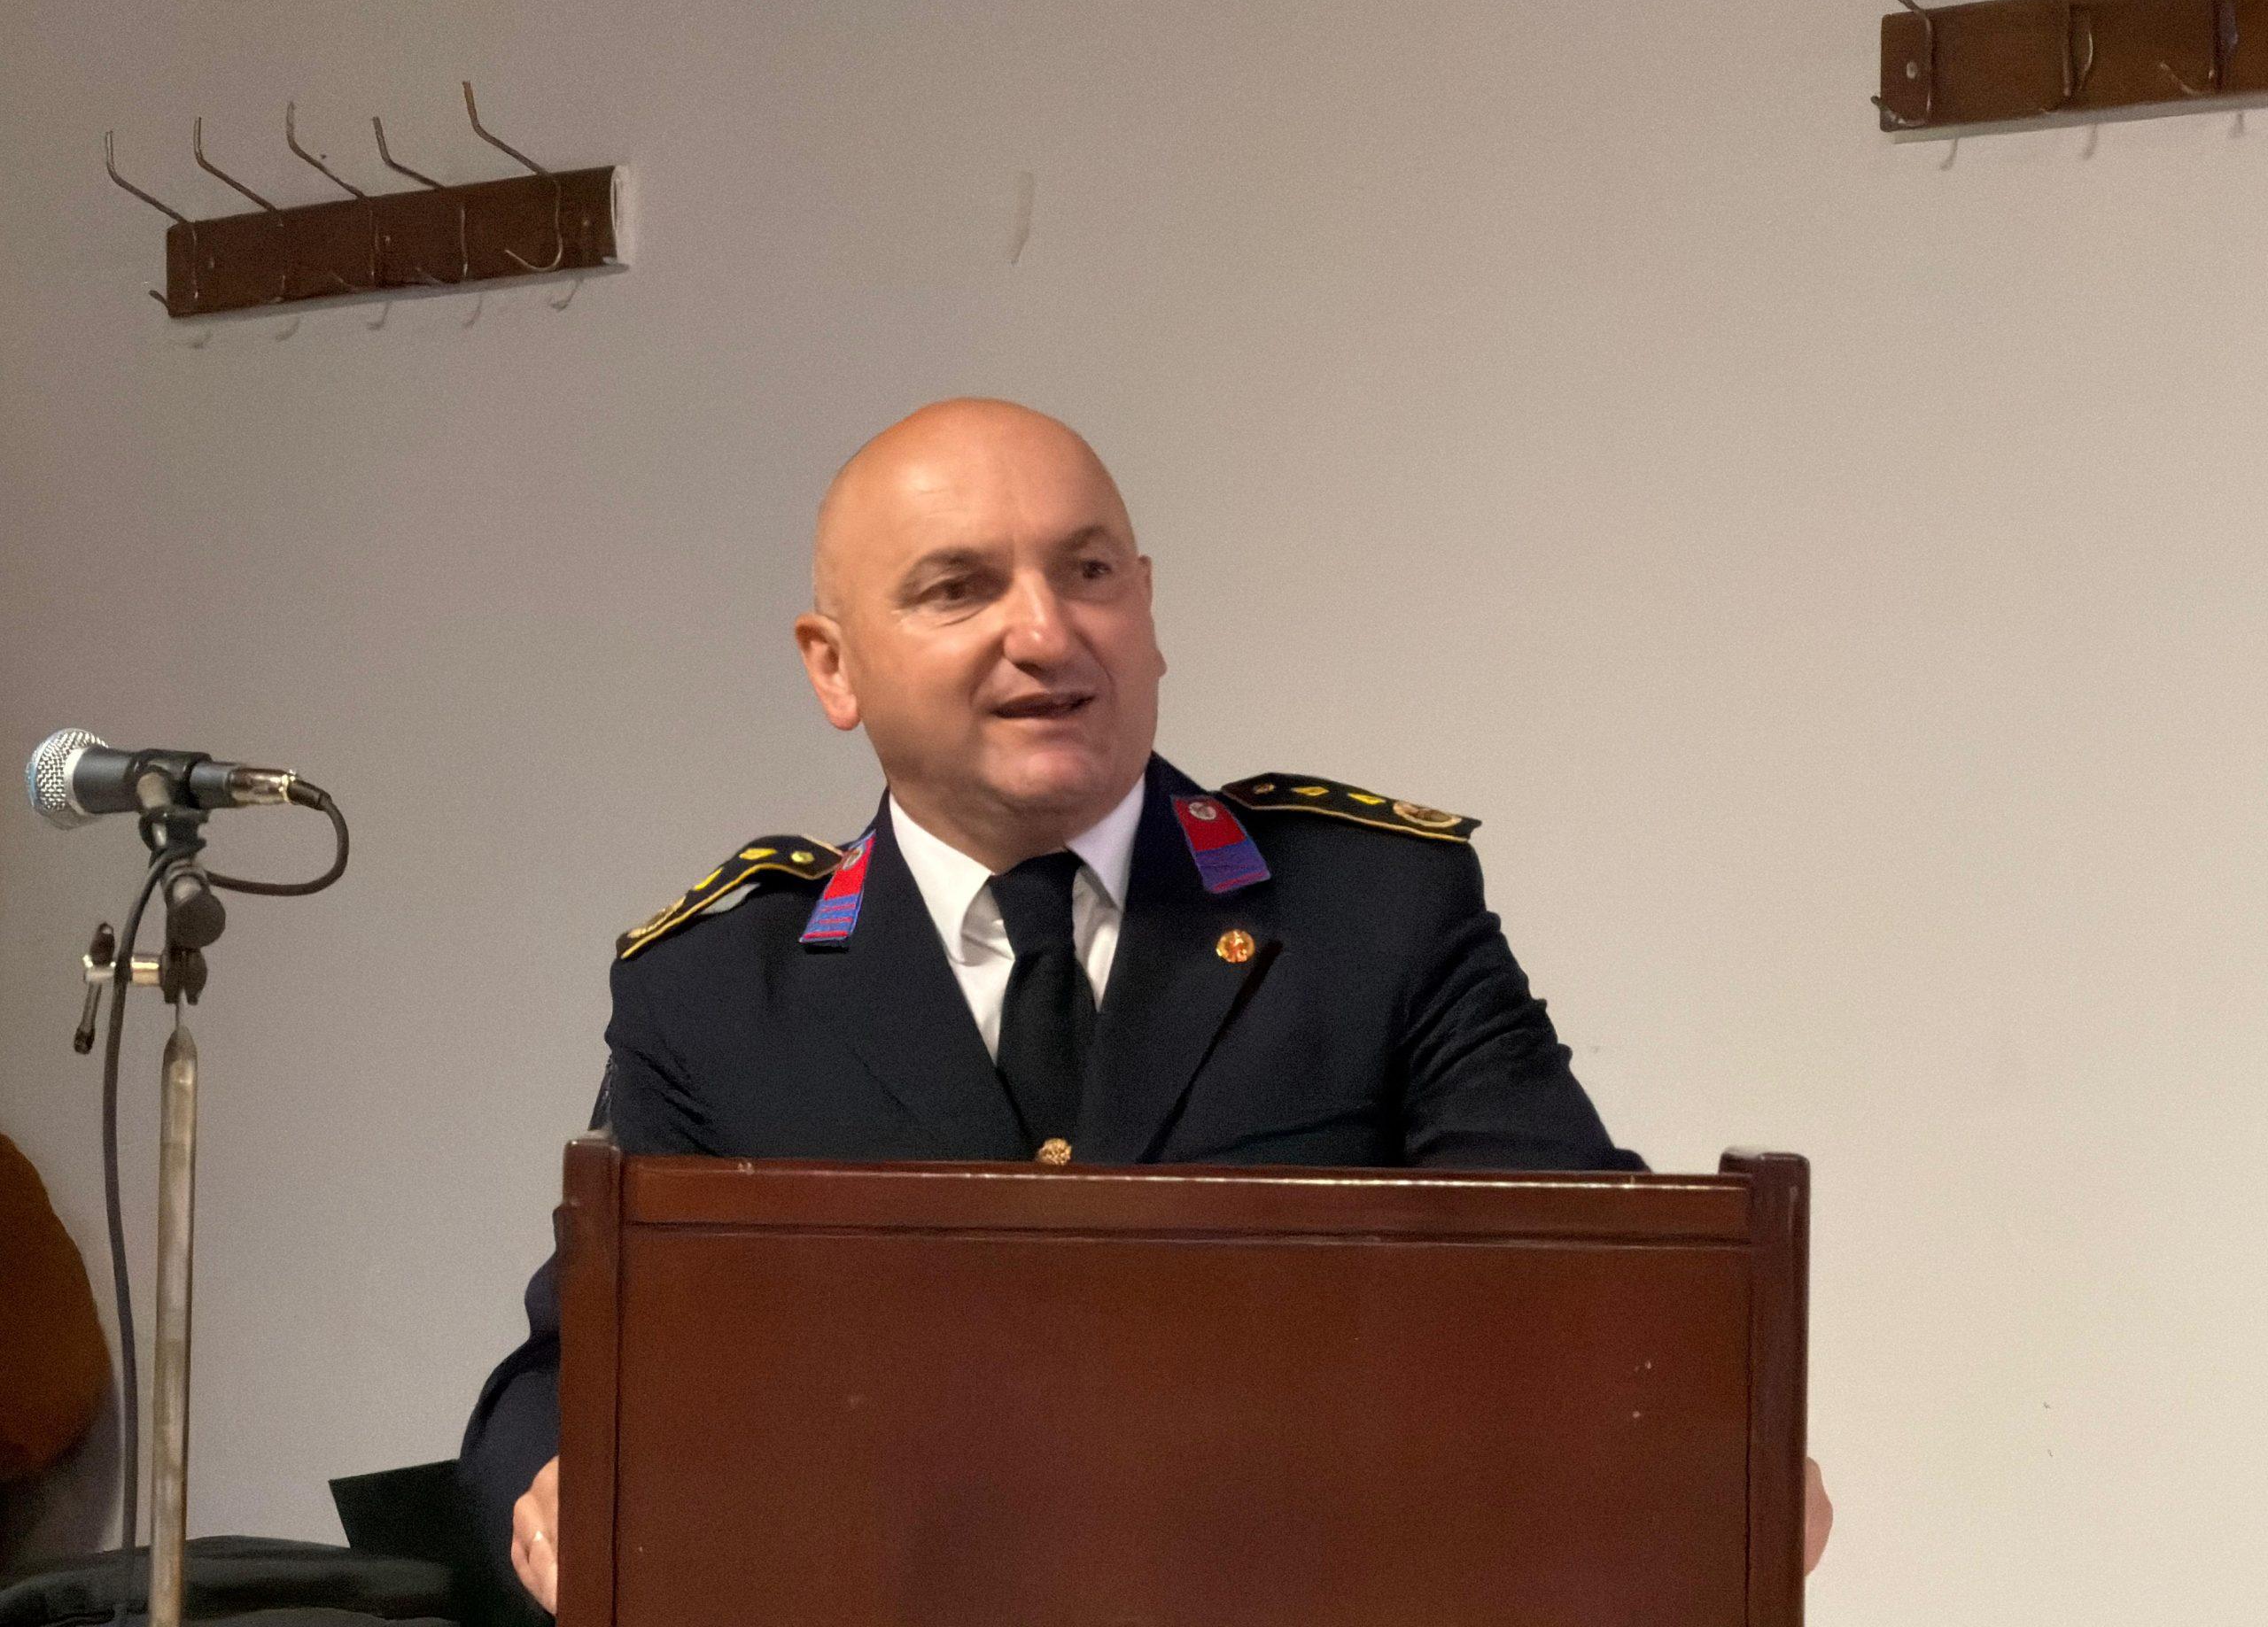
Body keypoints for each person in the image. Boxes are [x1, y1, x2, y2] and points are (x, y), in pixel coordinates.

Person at [460, 399, 1831, 1613]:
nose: (1046, 632)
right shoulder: (716, 989)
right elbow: (572, 1372)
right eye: (958, 589)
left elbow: (1584, 1293)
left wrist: (1714, 1439)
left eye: (1090, 571)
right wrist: (562, 1486)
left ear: (1150, 609)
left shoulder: (1370, 915)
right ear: (834, 665)